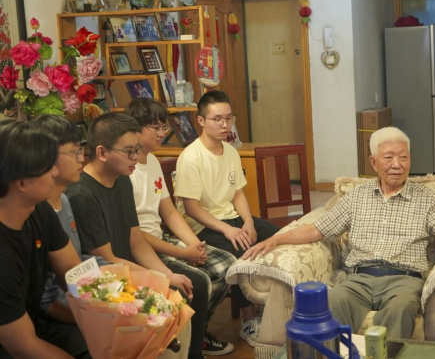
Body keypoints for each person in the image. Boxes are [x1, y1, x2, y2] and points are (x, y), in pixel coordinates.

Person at [243, 126, 435, 339]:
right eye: (388, 158)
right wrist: (276, 239)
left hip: (404, 280)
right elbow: (315, 229)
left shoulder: (426, 199)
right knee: (330, 304)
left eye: (403, 157)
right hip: (357, 280)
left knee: (401, 308)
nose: (397, 164)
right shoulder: (356, 197)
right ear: (374, 162)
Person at [65, 113, 204, 358]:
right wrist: (162, 279)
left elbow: (135, 239)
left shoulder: (122, 179)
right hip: (108, 279)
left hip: (128, 267)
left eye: (137, 149)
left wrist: (167, 274)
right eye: (129, 151)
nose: (136, 158)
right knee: (175, 298)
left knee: (188, 287)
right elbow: (107, 261)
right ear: (101, 152)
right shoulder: (82, 195)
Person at [125, 98, 236, 356]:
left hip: (160, 237)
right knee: (200, 280)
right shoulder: (126, 170)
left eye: (163, 127)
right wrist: (182, 252)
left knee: (227, 265)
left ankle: (198, 330)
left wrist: (193, 245)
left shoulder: (152, 161)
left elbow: (170, 212)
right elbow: (135, 234)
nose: (162, 133)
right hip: (143, 247)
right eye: (155, 128)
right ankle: (190, 345)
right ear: (135, 129)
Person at [174, 90, 280, 347]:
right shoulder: (191, 157)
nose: (225, 125)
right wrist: (228, 230)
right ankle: (248, 320)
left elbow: (238, 193)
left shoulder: (231, 152)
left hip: (231, 218)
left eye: (229, 118)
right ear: (201, 121)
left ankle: (270, 307)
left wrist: (248, 222)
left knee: (280, 238)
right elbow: (191, 208)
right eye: (217, 119)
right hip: (202, 226)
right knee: (242, 254)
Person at [0, 120, 89, 359]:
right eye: (48, 167)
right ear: (21, 182)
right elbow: (23, 346)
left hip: (31, 324)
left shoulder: (40, 210)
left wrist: (118, 313)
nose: (55, 172)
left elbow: (77, 276)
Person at [30, 116, 108, 327]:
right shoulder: (35, 212)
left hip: (78, 296)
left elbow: (77, 261)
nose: (81, 159)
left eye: (81, 151)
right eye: (74, 152)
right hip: (55, 312)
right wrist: (91, 320)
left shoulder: (63, 199)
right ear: (46, 156)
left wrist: (119, 274)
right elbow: (44, 297)